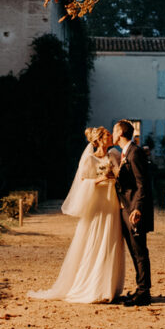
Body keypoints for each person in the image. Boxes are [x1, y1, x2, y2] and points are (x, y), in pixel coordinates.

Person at [28, 127, 125, 303]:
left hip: (112, 205)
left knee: (110, 243)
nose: (111, 137)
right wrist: (101, 178)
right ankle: (91, 286)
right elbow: (82, 183)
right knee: (94, 243)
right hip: (97, 206)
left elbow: (121, 176)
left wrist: (115, 176)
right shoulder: (89, 159)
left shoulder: (113, 155)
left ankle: (107, 288)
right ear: (100, 139)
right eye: (108, 136)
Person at [113, 118, 153, 306]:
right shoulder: (125, 153)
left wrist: (137, 208)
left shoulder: (134, 153)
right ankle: (140, 288)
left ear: (121, 133)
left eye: (114, 130)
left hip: (134, 211)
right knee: (134, 251)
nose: (112, 134)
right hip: (127, 209)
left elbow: (142, 184)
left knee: (139, 252)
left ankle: (144, 293)